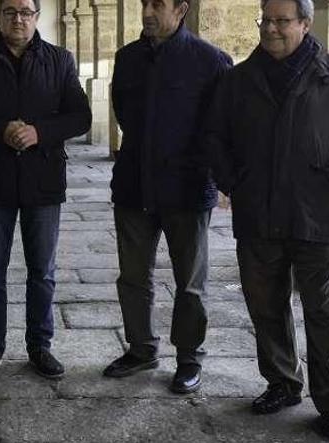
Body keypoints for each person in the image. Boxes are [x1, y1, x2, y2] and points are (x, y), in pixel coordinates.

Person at [206, 0, 329, 439]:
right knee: (265, 305)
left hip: (314, 213)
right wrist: (235, 181)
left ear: (305, 23)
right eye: (265, 20)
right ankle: (283, 383)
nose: (270, 28)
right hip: (258, 213)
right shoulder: (238, 79)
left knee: (321, 309)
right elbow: (214, 136)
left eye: (281, 21)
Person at [0, 0, 91, 381]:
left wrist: (39, 132)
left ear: (37, 16)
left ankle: (40, 346)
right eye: (10, 11)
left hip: (43, 182)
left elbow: (80, 116)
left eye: (26, 11)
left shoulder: (60, 60)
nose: (18, 18)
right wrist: (0, 130)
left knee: (42, 271)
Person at [103, 0, 232, 394]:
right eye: (144, 3)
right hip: (133, 186)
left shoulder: (211, 60)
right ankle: (141, 349)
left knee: (190, 282)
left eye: (157, 4)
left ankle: (189, 359)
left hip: (187, 190)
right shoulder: (127, 58)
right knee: (132, 278)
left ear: (181, 9)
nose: (147, 11)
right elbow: (123, 112)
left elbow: (220, 126)